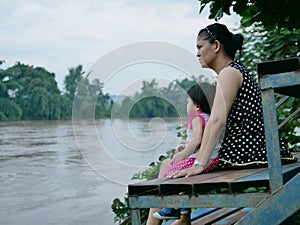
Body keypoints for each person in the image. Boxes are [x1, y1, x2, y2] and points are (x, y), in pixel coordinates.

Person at [147, 23, 297, 225]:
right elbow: (213, 124)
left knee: (168, 174)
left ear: (216, 45)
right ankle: (180, 217)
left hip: (245, 154)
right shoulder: (234, 71)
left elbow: (217, 121)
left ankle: (171, 219)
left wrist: (200, 164)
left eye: (200, 47)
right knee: (172, 170)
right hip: (255, 150)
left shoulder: (229, 73)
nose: (197, 54)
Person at [152, 83, 216, 221]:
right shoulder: (210, 117)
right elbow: (202, 141)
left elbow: (197, 140)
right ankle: (181, 210)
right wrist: (185, 147)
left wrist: (182, 154)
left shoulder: (197, 118)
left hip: (199, 161)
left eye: (188, 102)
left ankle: (171, 207)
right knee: (174, 173)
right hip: (212, 160)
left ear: (197, 105)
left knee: (169, 174)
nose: (186, 106)